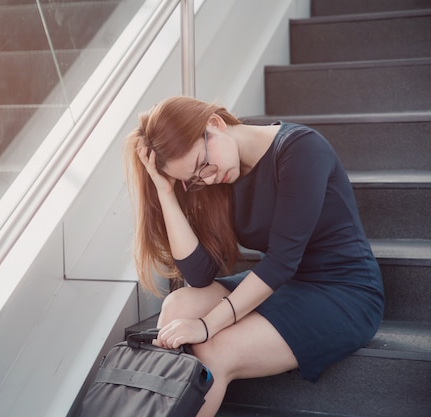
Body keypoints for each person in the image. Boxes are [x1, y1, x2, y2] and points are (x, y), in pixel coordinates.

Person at [123, 96, 384, 417]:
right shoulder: (219, 176)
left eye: (202, 166)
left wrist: (206, 326)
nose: (205, 178)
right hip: (287, 286)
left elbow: (281, 262)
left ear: (215, 125)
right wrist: (166, 192)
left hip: (344, 292)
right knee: (178, 304)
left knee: (214, 347)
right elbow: (199, 275)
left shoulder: (301, 150)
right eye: (192, 179)